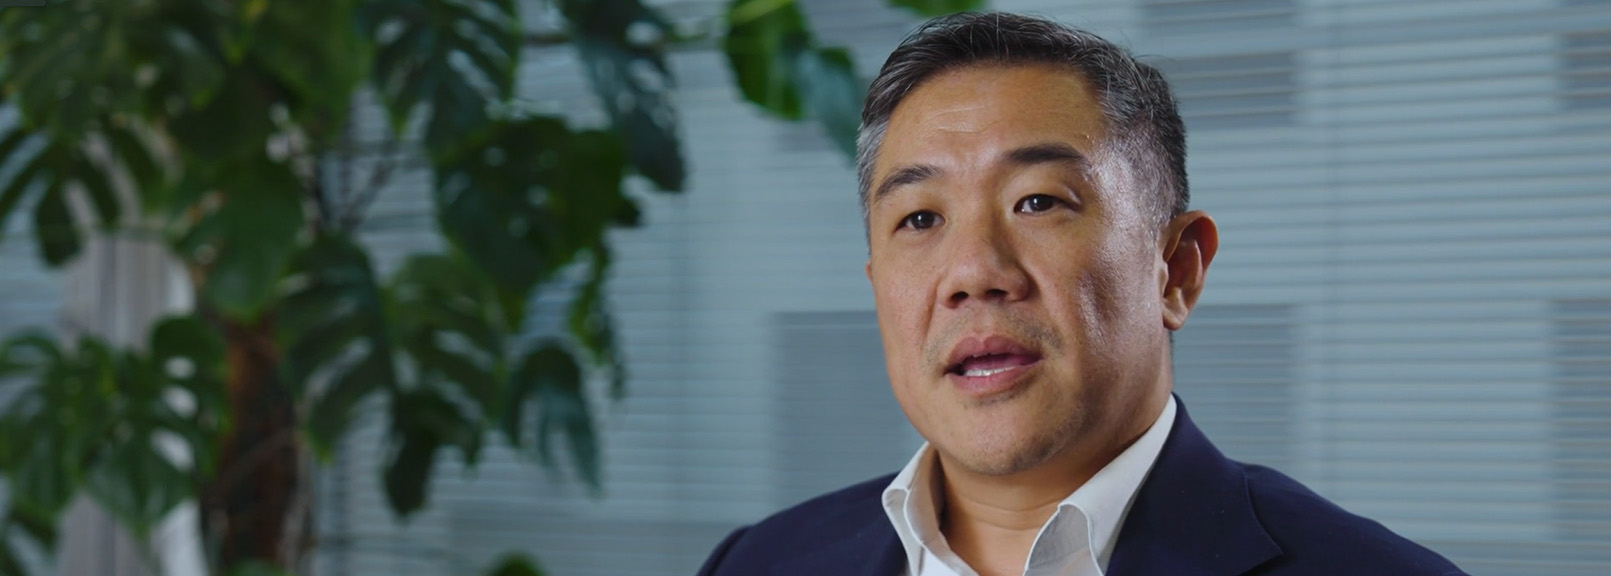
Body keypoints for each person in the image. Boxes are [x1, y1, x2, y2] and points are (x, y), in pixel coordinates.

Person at [696, 12, 1467, 576]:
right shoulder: (761, 562)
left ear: (1176, 269)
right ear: (877, 290)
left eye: (1037, 201)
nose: (972, 273)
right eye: (920, 218)